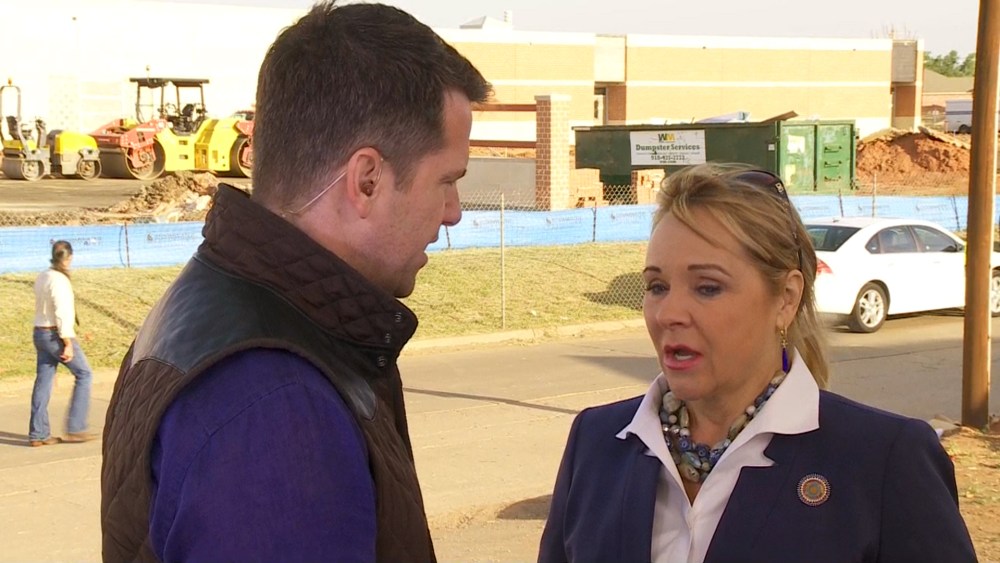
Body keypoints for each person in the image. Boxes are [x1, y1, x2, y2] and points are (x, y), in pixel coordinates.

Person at [100, 2, 491, 561]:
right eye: (447, 181)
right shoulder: (277, 408)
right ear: (367, 180)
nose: (453, 212)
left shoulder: (209, 304)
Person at [538, 163, 977, 563]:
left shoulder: (885, 461)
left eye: (707, 287)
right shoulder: (595, 442)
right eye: (657, 287)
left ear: (786, 298)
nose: (668, 313)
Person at [28, 239, 94, 447]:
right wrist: (67, 342)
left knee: (44, 381)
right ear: (69, 258)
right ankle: (76, 427)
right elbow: (62, 312)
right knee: (84, 374)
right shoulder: (60, 281)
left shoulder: (43, 276)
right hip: (55, 335)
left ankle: (38, 433)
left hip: (40, 332)